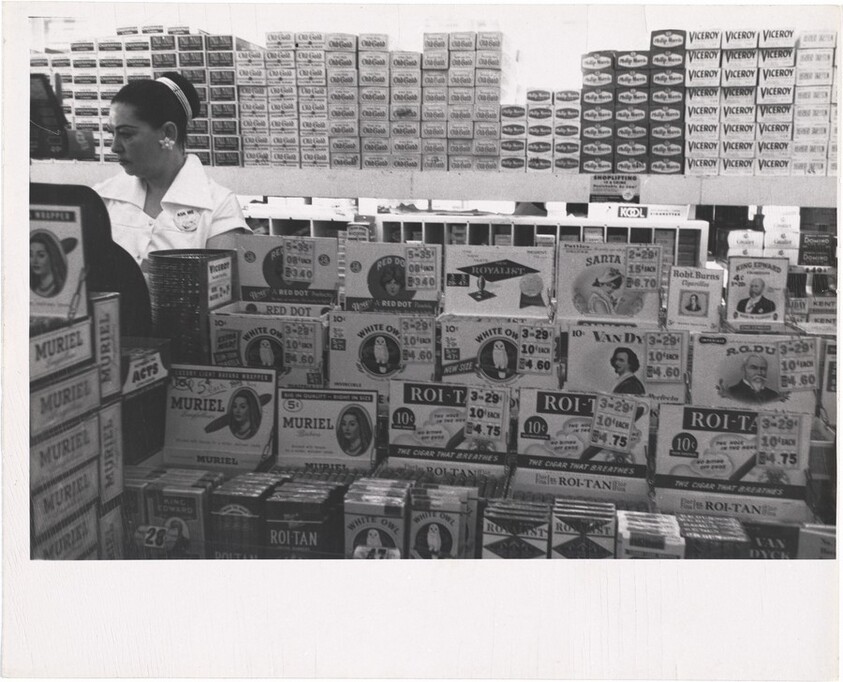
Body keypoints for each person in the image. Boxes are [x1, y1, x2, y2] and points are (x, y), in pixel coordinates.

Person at [94, 72, 250, 273]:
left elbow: (220, 289)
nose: (114, 147)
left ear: (168, 133)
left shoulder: (219, 206)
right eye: (111, 133)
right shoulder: (101, 198)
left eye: (126, 134)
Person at [30, 232, 67, 297]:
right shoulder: (34, 288)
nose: (34, 261)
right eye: (30, 255)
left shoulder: (58, 287)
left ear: (52, 257)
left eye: (41, 255)